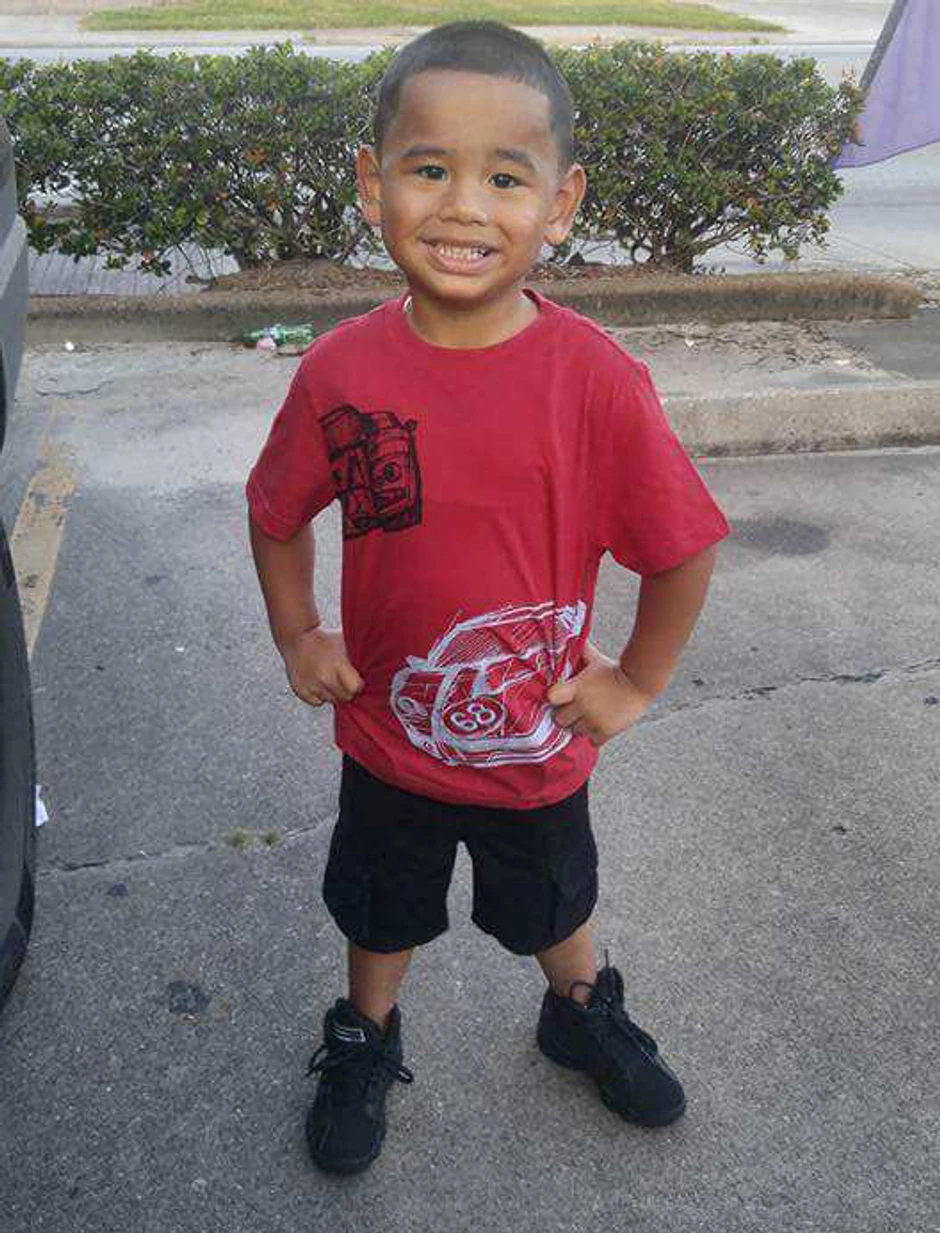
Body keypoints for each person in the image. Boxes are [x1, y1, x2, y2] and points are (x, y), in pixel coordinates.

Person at [247, 20, 729, 1175]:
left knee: (552, 904)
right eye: (429, 169)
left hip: (534, 746)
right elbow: (274, 510)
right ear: (374, 185)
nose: (464, 206)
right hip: (387, 741)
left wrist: (635, 680)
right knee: (380, 910)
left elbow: (682, 546)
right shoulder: (340, 373)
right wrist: (298, 631)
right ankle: (365, 1038)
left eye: (504, 179)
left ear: (558, 205)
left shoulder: (595, 383)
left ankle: (579, 1013)